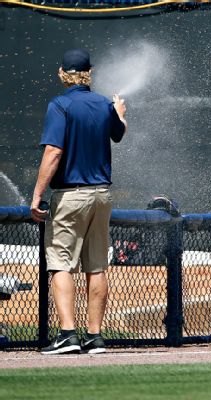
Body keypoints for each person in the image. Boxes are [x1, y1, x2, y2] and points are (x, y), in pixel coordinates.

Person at [30, 49, 127, 355]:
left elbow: (53, 153)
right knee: (96, 267)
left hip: (70, 195)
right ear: (90, 72)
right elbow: (119, 135)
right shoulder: (102, 104)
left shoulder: (60, 104)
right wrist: (120, 115)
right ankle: (95, 337)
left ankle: (68, 335)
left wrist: (36, 196)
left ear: (63, 73)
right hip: (101, 194)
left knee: (61, 264)